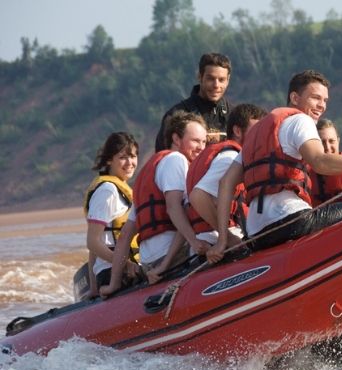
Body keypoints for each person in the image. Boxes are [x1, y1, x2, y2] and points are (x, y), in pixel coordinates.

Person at [206, 70, 342, 263]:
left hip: (257, 235)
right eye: (316, 98)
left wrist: (223, 240)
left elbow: (225, 183)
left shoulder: (254, 138)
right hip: (293, 220)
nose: (322, 105)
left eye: (325, 100)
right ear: (294, 97)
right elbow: (320, 161)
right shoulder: (301, 120)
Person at [103, 111, 210, 296]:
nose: (201, 147)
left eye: (204, 142)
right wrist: (192, 243)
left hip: (149, 262)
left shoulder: (148, 173)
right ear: (176, 138)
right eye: (195, 141)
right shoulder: (177, 161)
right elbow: (175, 209)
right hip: (173, 257)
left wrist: (113, 284)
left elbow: (125, 236)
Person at [184, 104, 268, 251]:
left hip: (207, 242)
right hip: (220, 244)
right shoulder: (230, 158)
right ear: (237, 131)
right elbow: (197, 196)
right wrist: (228, 238)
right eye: (256, 130)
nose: (260, 136)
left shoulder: (221, 155)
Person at [81, 132, 140, 300]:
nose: (130, 163)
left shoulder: (119, 189)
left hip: (116, 270)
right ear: (109, 160)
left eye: (133, 156)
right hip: (115, 273)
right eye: (123, 157)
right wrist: (125, 264)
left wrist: (93, 290)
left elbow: (96, 247)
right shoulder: (107, 191)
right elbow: (92, 242)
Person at [154, 53, 232, 152]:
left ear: (228, 80)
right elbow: (162, 156)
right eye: (210, 79)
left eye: (221, 80)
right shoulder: (175, 116)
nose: (216, 85)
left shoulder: (234, 115)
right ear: (199, 76)